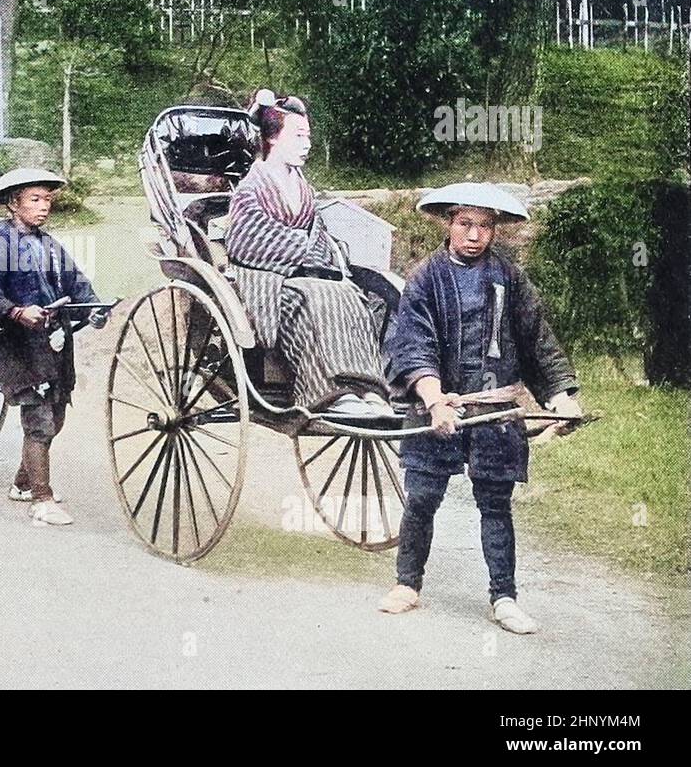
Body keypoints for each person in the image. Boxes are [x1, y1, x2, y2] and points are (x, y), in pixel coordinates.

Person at [378, 182, 582, 634]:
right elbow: (414, 348)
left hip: (494, 409)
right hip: (439, 406)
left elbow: (537, 342)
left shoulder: (509, 279)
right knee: (423, 498)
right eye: (465, 224)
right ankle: (408, 584)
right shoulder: (425, 278)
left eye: (484, 226)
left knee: (495, 503)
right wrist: (433, 401)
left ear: (494, 231)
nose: (474, 235)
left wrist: (561, 397)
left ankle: (504, 597)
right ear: (449, 223)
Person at [226, 89, 390, 416]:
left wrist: (317, 251)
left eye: (308, 136)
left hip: (302, 274)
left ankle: (366, 388)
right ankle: (327, 393)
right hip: (264, 279)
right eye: (298, 136)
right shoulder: (250, 188)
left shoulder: (303, 189)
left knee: (350, 295)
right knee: (313, 299)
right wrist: (304, 247)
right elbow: (245, 242)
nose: (307, 144)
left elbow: (319, 233)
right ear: (272, 139)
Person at [0, 168, 106, 526]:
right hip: (16, 342)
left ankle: (23, 482)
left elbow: (78, 284)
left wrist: (94, 308)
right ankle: (42, 501)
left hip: (52, 340)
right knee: (39, 419)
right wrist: (15, 311)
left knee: (56, 414)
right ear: (14, 203)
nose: (44, 206)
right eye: (35, 199)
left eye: (47, 199)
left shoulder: (50, 245)